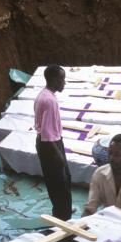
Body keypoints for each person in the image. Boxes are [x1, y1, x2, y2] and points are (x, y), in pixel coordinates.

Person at [35, 65, 72, 221]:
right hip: (50, 145)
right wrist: (59, 156)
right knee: (60, 182)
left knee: (62, 179)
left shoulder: (44, 95)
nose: (64, 82)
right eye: (62, 79)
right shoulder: (49, 101)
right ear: (54, 80)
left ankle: (62, 211)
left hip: (49, 142)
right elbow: (47, 135)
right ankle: (63, 217)